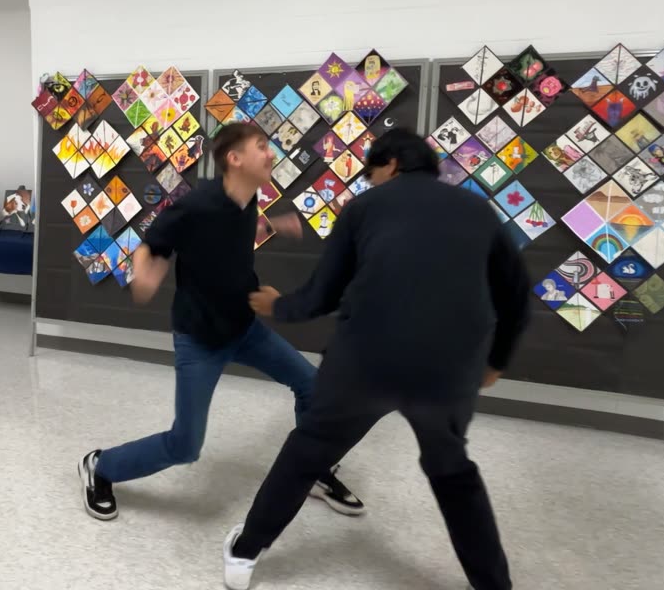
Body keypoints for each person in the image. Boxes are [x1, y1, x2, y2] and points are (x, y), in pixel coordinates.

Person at [221, 128, 530, 590]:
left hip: (365, 359)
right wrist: (497, 361)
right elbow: (517, 294)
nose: (369, 183)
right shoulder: (476, 210)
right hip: (448, 368)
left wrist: (278, 306)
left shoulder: (364, 207)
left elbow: (324, 292)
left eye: (369, 174)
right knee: (453, 472)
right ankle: (494, 585)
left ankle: (244, 555)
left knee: (308, 451)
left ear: (388, 165)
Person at [79, 122, 365, 522]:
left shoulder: (247, 200)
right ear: (234, 158)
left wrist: (270, 226)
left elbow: (225, 239)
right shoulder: (197, 205)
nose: (271, 154)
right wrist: (144, 274)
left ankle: (312, 470)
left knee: (312, 388)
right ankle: (101, 466)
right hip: (200, 339)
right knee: (185, 445)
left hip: (245, 328)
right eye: (261, 146)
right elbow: (153, 244)